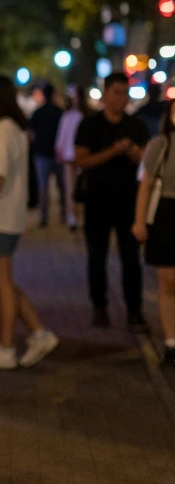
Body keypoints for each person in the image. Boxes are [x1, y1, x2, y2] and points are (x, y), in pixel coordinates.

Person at [0, 76, 59, 370]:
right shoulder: (13, 129)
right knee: (0, 282)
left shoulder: (0, 132)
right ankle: (38, 333)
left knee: (2, 283)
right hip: (6, 216)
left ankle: (6, 347)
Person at [74, 73, 150, 331]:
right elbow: (82, 160)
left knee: (131, 258)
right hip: (97, 200)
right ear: (105, 94)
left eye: (125, 93)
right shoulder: (90, 125)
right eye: (117, 92)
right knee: (97, 256)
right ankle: (100, 307)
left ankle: (134, 310)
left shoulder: (136, 125)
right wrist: (113, 151)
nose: (121, 99)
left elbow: (146, 162)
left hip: (129, 201)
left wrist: (135, 154)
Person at [132, 100, 175, 365]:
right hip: (166, 215)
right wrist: (139, 221)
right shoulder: (161, 144)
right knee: (168, 281)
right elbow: (145, 184)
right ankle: (171, 342)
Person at [29, 84, 66, 228]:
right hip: (58, 155)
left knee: (43, 187)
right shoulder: (60, 112)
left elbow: (31, 133)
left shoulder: (38, 112)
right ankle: (64, 214)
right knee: (62, 186)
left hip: (42, 153)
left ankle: (43, 217)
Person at [54, 85, 83, 230]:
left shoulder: (73, 116)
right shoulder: (71, 116)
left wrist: (59, 150)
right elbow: (62, 135)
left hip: (75, 155)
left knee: (74, 187)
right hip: (70, 155)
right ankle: (73, 216)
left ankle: (74, 216)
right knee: (72, 187)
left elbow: (61, 135)